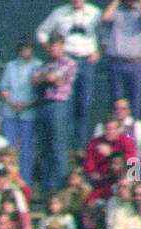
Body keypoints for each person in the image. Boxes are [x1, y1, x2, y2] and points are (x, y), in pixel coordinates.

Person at [36, 0, 104, 146]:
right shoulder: (59, 12)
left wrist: (99, 52)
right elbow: (41, 32)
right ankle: (64, 146)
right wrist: (51, 49)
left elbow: (106, 34)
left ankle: (78, 146)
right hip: (65, 63)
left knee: (83, 105)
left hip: (87, 62)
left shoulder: (95, 13)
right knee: (64, 104)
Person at [32, 34, 79, 193]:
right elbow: (34, 79)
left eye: (57, 46)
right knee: (45, 147)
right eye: (51, 46)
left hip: (58, 105)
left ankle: (59, 187)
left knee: (58, 145)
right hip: (43, 104)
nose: (53, 49)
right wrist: (47, 78)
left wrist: (46, 78)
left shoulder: (68, 63)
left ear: (62, 47)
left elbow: (52, 77)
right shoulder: (44, 64)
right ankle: (47, 187)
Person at [103, 0, 141, 123]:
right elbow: (105, 18)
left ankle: (133, 136)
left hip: (136, 63)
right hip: (116, 62)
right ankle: (117, 136)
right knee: (117, 102)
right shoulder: (117, 8)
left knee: (135, 102)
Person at [0, 39, 42, 184]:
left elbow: (40, 94)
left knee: (26, 151)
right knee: (8, 149)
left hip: (28, 114)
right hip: (10, 112)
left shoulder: (39, 66)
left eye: (28, 49)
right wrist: (11, 103)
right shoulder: (10, 66)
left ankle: (25, 184)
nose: (26, 52)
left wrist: (26, 105)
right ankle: (7, 182)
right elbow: (4, 88)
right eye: (23, 49)